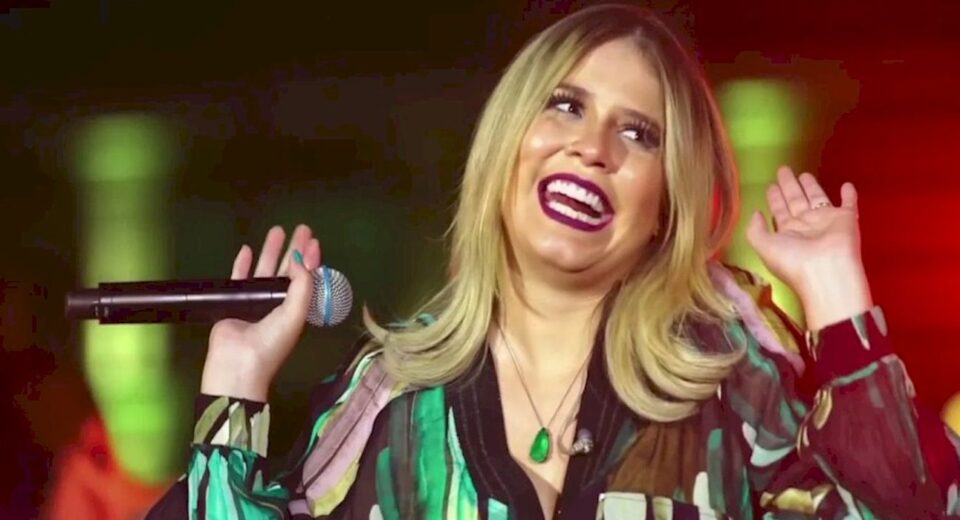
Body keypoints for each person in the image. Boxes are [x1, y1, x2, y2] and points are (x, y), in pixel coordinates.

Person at [148, 4, 960, 519]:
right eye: (566, 106)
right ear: (508, 145)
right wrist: (237, 378)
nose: (592, 147)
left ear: (665, 203)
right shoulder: (394, 397)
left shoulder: (727, 370)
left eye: (639, 133)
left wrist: (837, 298)